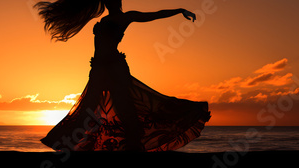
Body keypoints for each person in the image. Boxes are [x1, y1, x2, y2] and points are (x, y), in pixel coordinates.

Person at [36, 0, 211, 151]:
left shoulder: (126, 17)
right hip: (98, 69)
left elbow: (154, 15)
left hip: (114, 68)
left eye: (111, 0)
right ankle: (74, 145)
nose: (108, 3)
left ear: (117, 1)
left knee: (125, 108)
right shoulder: (104, 20)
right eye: (106, 1)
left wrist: (179, 11)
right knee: (87, 110)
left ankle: (133, 147)